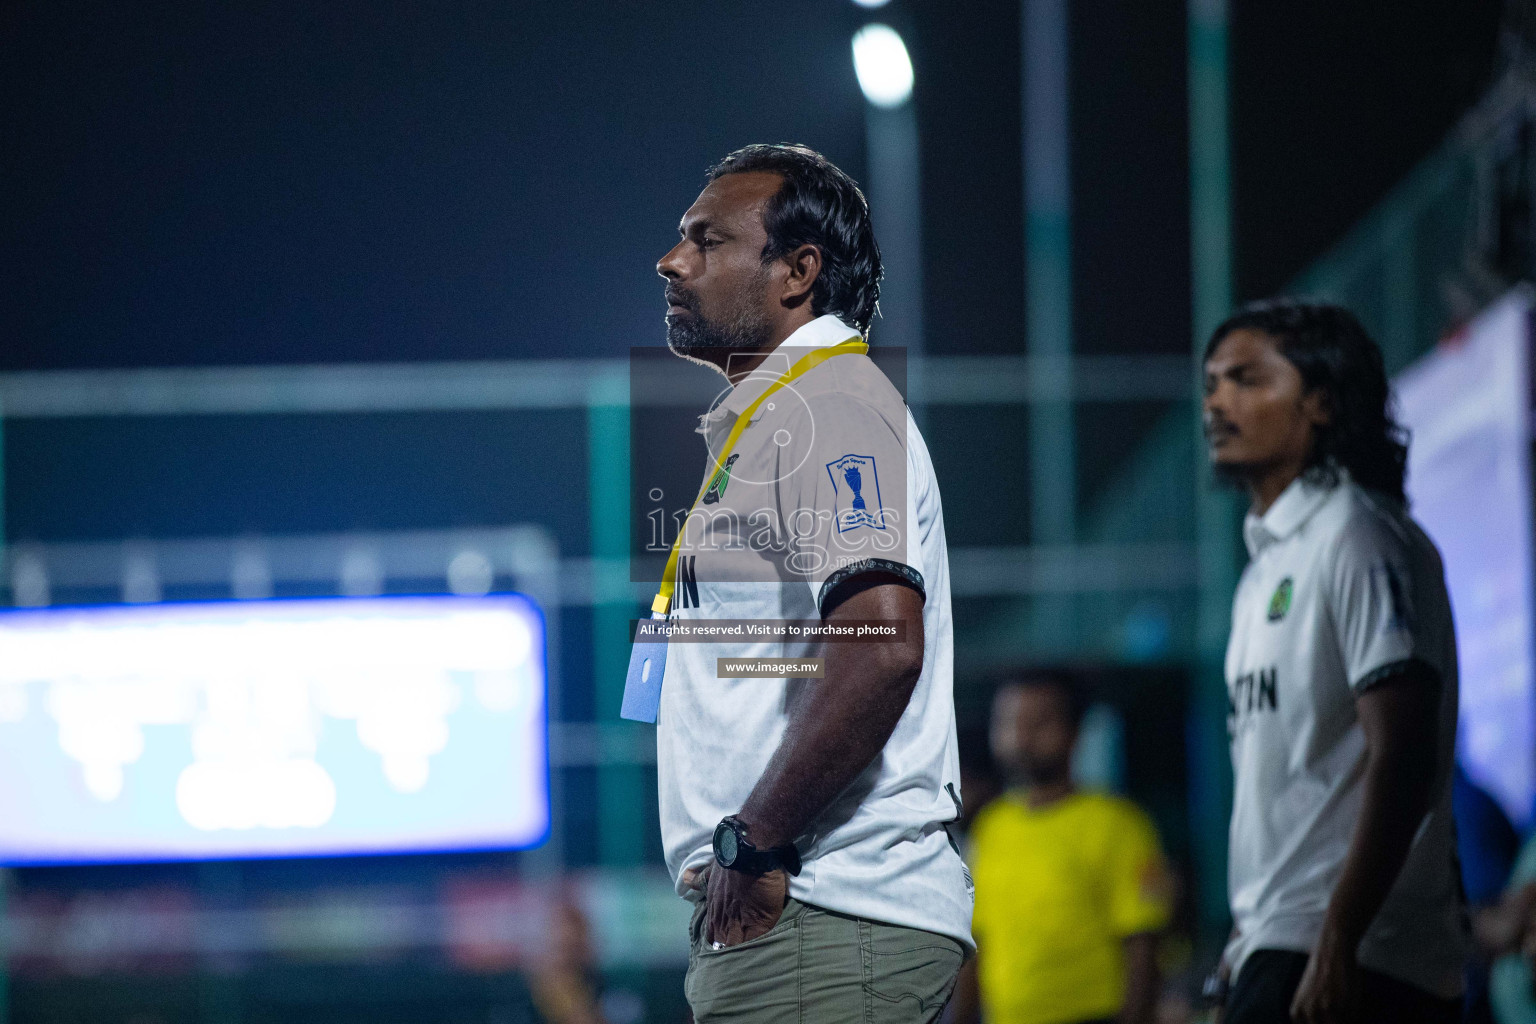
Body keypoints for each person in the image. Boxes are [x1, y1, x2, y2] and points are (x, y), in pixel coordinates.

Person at [646, 143, 971, 1023]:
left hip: (823, 907)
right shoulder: (785, 411)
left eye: (706, 241)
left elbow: (880, 646)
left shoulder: (826, 404)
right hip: (799, 912)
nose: (672, 262)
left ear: (799, 272)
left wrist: (750, 845)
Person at [1202, 301, 1468, 1024]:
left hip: (1358, 952)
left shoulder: (1358, 533)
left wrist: (1339, 936)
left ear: (1320, 401)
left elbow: (1404, 752)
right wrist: (1246, 933)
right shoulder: (1264, 568)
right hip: (1280, 940)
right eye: (1213, 383)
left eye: (1247, 380)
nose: (1217, 403)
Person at [951, 671, 1171, 1024]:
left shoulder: (1117, 824)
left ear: (1074, 733)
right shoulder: (990, 828)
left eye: (1038, 724)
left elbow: (1143, 945)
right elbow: (978, 944)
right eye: (1008, 723)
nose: (1020, 738)